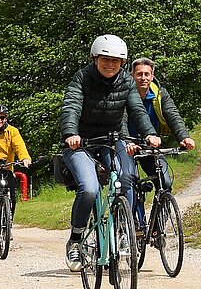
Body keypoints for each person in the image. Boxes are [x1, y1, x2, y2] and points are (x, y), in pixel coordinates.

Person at [59, 34, 161, 271]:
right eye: (105, 58)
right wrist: (70, 133)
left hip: (112, 139)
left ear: (122, 63)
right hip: (81, 142)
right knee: (90, 188)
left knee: (127, 178)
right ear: (95, 58)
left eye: (116, 60)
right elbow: (71, 106)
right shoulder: (82, 78)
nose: (110, 64)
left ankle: (124, 230)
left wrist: (148, 133)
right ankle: (75, 240)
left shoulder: (126, 81)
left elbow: (136, 109)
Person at [128, 57, 195, 193]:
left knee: (165, 182)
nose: (143, 78)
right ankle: (129, 213)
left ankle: (159, 211)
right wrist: (126, 141)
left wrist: (184, 137)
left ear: (152, 76)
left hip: (150, 143)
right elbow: (120, 119)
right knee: (130, 185)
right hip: (128, 144)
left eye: (147, 74)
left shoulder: (159, 93)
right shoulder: (124, 94)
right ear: (132, 76)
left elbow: (172, 114)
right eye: (139, 74)